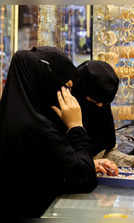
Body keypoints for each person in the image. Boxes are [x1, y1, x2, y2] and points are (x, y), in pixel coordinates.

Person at [0, 46, 115, 218]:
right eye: (65, 87)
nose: (69, 95)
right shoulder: (39, 128)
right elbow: (83, 179)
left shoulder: (14, 120)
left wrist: (89, 163)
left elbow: (52, 171)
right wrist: (76, 127)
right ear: (46, 83)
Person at [73, 60, 134, 170]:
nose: (100, 106)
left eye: (104, 103)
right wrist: (89, 165)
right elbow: (61, 162)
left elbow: (106, 152)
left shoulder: (100, 106)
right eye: (95, 101)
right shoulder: (62, 114)